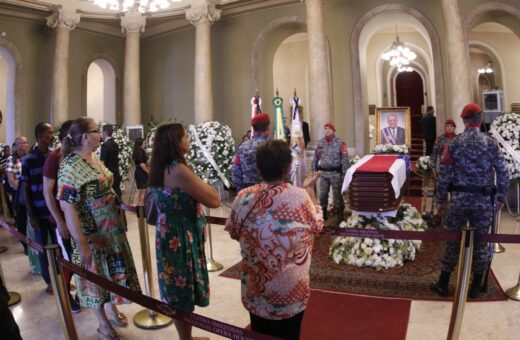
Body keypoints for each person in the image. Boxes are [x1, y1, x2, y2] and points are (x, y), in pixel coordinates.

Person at [225, 140, 324, 340]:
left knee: (259, 332)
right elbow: (317, 225)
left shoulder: (243, 196)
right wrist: (311, 190)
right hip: (290, 292)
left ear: (258, 167)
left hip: (256, 287)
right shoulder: (301, 197)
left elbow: (233, 231)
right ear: (287, 168)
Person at [58, 117, 141, 339]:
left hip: (111, 231)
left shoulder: (93, 157)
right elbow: (67, 206)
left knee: (112, 274)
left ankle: (113, 307)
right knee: (94, 279)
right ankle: (102, 323)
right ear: (85, 137)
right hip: (91, 235)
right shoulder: (69, 165)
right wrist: (82, 244)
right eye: (96, 131)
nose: (100, 134)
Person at [148, 122, 220, 340]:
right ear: (175, 142)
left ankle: (186, 337)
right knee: (182, 291)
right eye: (185, 136)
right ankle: (185, 339)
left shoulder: (161, 166)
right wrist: (204, 183)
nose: (188, 139)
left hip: (170, 233)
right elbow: (214, 200)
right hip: (180, 238)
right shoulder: (178, 170)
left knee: (180, 290)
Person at [431, 103, 509, 299]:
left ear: (464, 121)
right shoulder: (491, 143)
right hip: (483, 201)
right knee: (482, 242)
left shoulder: (454, 143)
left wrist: (440, 202)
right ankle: (476, 286)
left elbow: (445, 174)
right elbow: (503, 172)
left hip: (459, 200)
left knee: (452, 240)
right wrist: (500, 197)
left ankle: (443, 283)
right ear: (480, 120)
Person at [42, 120, 80, 313]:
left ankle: (83, 293)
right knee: (70, 260)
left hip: (80, 218)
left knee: (82, 259)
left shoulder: (79, 155)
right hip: (64, 219)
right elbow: (47, 192)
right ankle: (65, 294)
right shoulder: (54, 157)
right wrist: (59, 221)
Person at [20, 123, 57, 294]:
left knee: (57, 247)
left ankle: (60, 279)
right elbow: (25, 189)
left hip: (53, 212)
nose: (52, 135)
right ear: (41, 135)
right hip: (38, 212)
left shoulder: (52, 156)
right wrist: (31, 215)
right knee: (43, 249)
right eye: (49, 132)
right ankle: (49, 282)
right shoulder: (28, 159)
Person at [312, 123, 348, 220]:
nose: (327, 130)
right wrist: (314, 170)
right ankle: (324, 214)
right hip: (323, 174)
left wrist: (344, 174)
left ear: (333, 130)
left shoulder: (340, 143)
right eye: (325, 129)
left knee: (337, 195)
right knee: (323, 195)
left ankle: (340, 214)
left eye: (329, 129)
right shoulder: (320, 143)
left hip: (335, 173)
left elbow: (344, 159)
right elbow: (315, 156)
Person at [232, 113, 270, 191]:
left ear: (253, 127)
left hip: (248, 191)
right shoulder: (275, 146)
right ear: (268, 125)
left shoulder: (242, 147)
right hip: (270, 192)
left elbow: (236, 173)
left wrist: (242, 192)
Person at [6, 136, 28, 253]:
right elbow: (11, 180)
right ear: (17, 145)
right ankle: (25, 245)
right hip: (19, 194)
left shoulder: (29, 158)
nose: (24, 145)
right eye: (21, 143)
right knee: (22, 221)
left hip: (30, 193)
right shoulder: (11, 159)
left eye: (25, 143)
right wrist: (22, 187)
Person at [100, 124, 122, 199]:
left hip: (109, 175)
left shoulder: (105, 146)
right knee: (117, 194)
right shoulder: (115, 144)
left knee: (110, 196)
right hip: (116, 173)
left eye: (101, 132)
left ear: (105, 132)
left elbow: (103, 163)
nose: (101, 134)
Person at [132, 137, 149, 206]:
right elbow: (142, 164)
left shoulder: (137, 151)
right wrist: (148, 172)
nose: (145, 145)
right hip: (141, 172)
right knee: (143, 191)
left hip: (139, 172)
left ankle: (135, 206)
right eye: (144, 143)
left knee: (141, 192)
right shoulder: (140, 152)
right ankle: (141, 207)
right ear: (140, 144)